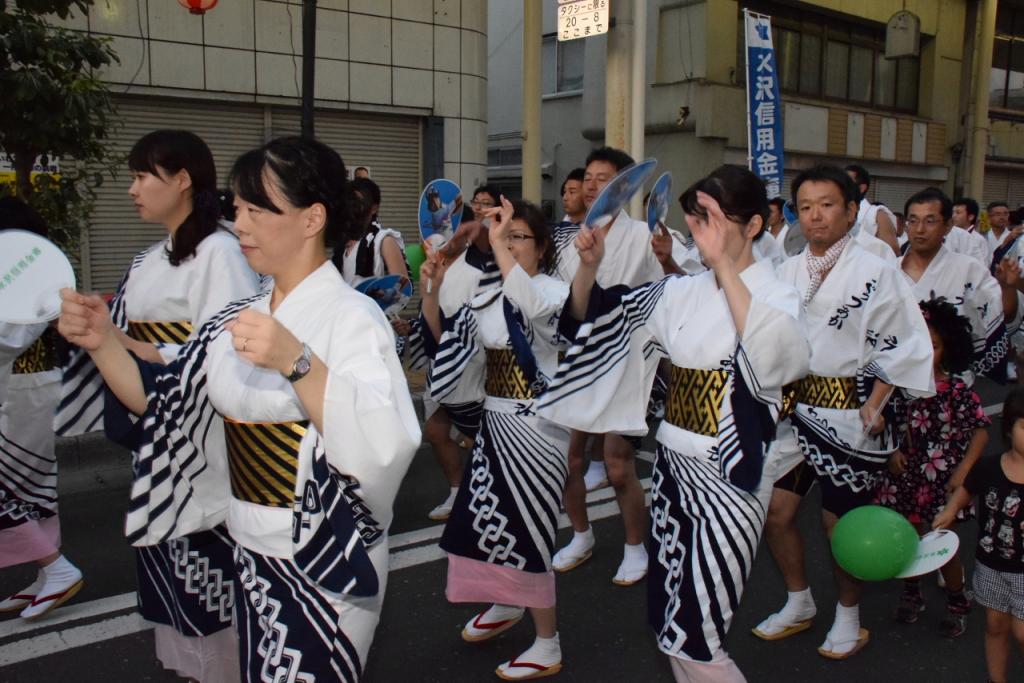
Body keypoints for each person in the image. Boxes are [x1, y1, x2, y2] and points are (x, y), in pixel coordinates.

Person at [58, 136, 419, 681]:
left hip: (321, 558)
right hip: (247, 548)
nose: (239, 224)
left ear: (311, 218)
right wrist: (103, 341)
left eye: (256, 209)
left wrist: (298, 363)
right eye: (236, 207)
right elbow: (168, 400)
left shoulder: (353, 316)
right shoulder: (239, 315)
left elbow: (386, 441)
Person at [540, 165, 809, 682]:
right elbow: (593, 317)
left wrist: (721, 266)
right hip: (672, 469)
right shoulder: (680, 292)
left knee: (697, 632)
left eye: (714, 218)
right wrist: (588, 267)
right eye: (696, 217)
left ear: (754, 225)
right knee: (672, 622)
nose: (702, 228)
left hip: (730, 474)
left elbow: (779, 360)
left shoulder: (776, 294)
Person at [63, 130, 261, 681]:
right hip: (163, 432)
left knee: (211, 583)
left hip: (199, 439)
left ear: (182, 180)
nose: (133, 189)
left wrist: (132, 346)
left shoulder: (220, 252)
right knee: (178, 576)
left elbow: (223, 347)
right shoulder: (151, 257)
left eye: (143, 174)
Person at [755, 164, 934, 659]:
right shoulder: (787, 270)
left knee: (843, 524)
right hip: (795, 412)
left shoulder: (875, 271)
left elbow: (902, 342)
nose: (815, 216)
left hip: (851, 416)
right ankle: (799, 600)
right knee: (777, 512)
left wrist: (876, 400)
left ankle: (849, 617)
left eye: (827, 205)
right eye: (806, 206)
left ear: (852, 210)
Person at [423, 197, 570, 680]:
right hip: (496, 423)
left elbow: (529, 306)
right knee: (482, 524)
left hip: (539, 429)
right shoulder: (487, 292)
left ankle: (547, 643)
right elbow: (450, 344)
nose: (507, 244)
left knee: (528, 531)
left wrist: (499, 250)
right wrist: (432, 288)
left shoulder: (554, 291)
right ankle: (506, 604)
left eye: (518, 237)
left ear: (542, 246)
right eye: (502, 237)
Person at [550, 146, 664, 586]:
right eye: (591, 177)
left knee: (617, 464)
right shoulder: (575, 239)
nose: (595, 185)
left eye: (606, 178)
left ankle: (636, 547)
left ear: (626, 184)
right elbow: (568, 302)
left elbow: (668, 288)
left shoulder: (646, 234)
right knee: (570, 458)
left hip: (632, 357)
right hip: (582, 355)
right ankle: (581, 534)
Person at [875, 298, 988, 638]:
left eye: (934, 346)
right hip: (904, 477)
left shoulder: (956, 390)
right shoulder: (895, 389)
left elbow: (980, 431)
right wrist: (892, 451)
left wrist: (964, 470)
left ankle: (957, 601)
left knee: (940, 544)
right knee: (907, 539)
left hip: (942, 479)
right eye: (918, 344)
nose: (926, 353)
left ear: (949, 348)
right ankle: (912, 593)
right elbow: (888, 425)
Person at [0, 198, 84, 621]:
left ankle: (54, 567)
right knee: (28, 488)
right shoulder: (38, 274)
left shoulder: (33, 280)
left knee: (17, 489)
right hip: (26, 389)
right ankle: (46, 569)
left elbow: (9, 338)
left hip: (23, 391)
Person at [414, 183, 504, 522]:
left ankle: (495, 492)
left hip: (475, 358)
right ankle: (458, 490)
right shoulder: (451, 255)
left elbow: (482, 239)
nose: (481, 209)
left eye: (488, 204)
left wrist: (475, 232)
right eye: (477, 203)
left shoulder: (493, 255)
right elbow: (432, 299)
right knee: (437, 432)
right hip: (443, 353)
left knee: (480, 435)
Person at [933, 387, 1024, 683]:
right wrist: (949, 511)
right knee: (995, 624)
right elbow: (967, 489)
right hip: (990, 565)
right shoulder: (989, 467)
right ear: (1009, 429)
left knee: (1022, 631)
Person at [898, 187, 1011, 383]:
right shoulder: (888, 270)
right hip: (895, 381)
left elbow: (1000, 313)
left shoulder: (968, 269)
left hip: (951, 382)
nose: (920, 229)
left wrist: (1008, 286)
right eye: (913, 220)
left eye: (930, 221)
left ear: (948, 225)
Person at [333, 177, 409, 288]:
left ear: (374, 208)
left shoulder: (384, 241)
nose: (352, 208)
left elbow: (403, 289)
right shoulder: (343, 243)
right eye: (350, 202)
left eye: (359, 203)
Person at [845, 164, 900, 256]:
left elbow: (892, 252)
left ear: (861, 188)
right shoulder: (834, 209)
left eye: (847, 182)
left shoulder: (877, 214)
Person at [947, 197, 990, 266]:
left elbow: (983, 266)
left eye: (958, 213)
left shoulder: (979, 240)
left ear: (970, 217)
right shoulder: (947, 235)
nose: (953, 216)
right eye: (953, 212)